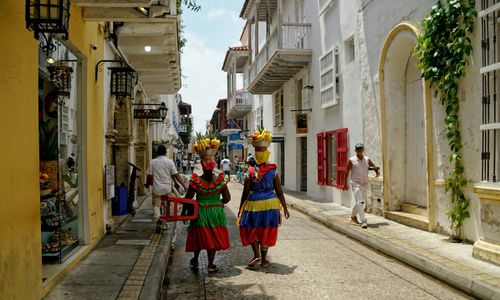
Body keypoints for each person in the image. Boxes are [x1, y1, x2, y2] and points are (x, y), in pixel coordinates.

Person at [237, 129, 290, 268]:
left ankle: (256, 255)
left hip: (254, 204)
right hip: (271, 204)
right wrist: (285, 207)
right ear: (266, 155)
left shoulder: (250, 172)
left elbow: (245, 192)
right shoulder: (273, 171)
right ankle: (264, 260)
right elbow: (279, 191)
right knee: (266, 230)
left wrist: (240, 208)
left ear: (256, 156)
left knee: (251, 228)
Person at [184, 142, 230, 273]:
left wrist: (186, 212)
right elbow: (227, 199)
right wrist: (216, 202)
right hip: (216, 211)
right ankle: (210, 264)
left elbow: (188, 199)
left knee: (199, 235)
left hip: (200, 212)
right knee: (213, 236)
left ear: (203, 168)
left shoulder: (195, 181)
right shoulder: (220, 181)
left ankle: (195, 258)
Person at [146, 145, 187, 222]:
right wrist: (184, 186)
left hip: (157, 188)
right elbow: (176, 175)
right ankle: (165, 220)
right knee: (166, 204)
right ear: (165, 152)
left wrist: (148, 185)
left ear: (157, 152)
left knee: (156, 204)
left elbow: (149, 176)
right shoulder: (170, 162)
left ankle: (158, 218)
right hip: (167, 188)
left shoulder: (152, 162)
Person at [343, 143, 380, 229]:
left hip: (364, 183)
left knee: (360, 202)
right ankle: (364, 220)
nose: (359, 150)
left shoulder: (367, 159)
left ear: (363, 150)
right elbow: (347, 171)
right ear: (355, 150)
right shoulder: (351, 160)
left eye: (361, 149)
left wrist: (376, 171)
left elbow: (371, 166)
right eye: (358, 149)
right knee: (360, 202)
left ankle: (353, 216)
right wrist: (345, 183)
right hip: (355, 183)